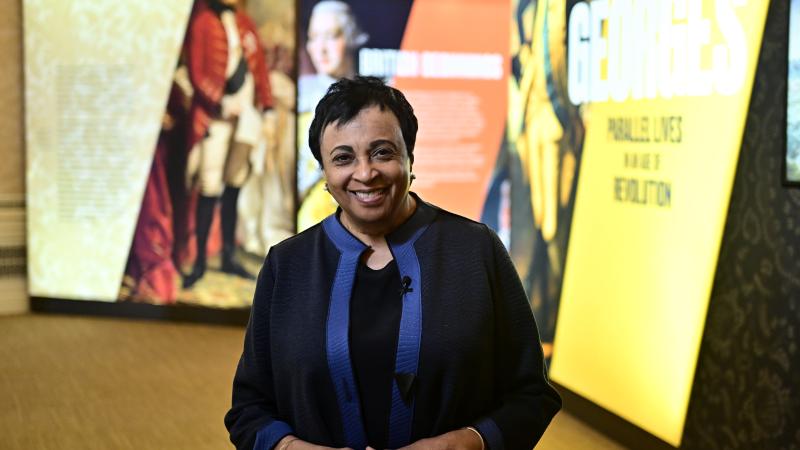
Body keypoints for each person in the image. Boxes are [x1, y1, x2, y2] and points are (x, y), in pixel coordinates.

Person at [225, 77, 561, 450]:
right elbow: (248, 410)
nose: (365, 173)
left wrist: (465, 443)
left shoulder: (476, 250)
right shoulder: (287, 265)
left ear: (409, 157)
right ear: (324, 173)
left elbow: (532, 395)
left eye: (382, 152)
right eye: (343, 158)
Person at [183, 0, 274, 288]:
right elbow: (197, 72)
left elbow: (259, 70)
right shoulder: (202, 22)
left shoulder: (245, 23)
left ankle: (228, 256)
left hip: (246, 119)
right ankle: (199, 262)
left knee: (235, 184)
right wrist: (219, 101)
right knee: (209, 186)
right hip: (216, 118)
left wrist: (267, 106)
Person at [297, 1, 369, 231]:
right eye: (313, 38)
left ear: (351, 37)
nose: (321, 48)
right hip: (308, 222)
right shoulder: (298, 99)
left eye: (331, 36)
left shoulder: (375, 100)